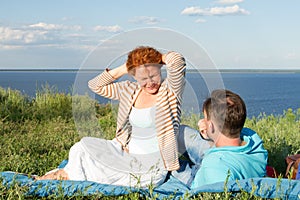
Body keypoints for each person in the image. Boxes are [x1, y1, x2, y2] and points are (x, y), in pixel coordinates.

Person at [36, 46, 190, 187]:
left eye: (153, 75)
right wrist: (127, 66)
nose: (150, 82)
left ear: (160, 71)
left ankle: (64, 176)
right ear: (134, 77)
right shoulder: (129, 90)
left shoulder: (170, 91)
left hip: (151, 165)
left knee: (106, 174)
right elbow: (96, 85)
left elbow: (177, 61)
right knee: (81, 147)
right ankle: (67, 175)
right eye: (143, 78)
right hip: (124, 152)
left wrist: (154, 59)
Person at [191, 89, 268, 188]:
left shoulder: (213, 165)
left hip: (197, 177)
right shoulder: (254, 140)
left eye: (205, 118)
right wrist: (207, 133)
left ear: (210, 125)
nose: (201, 122)